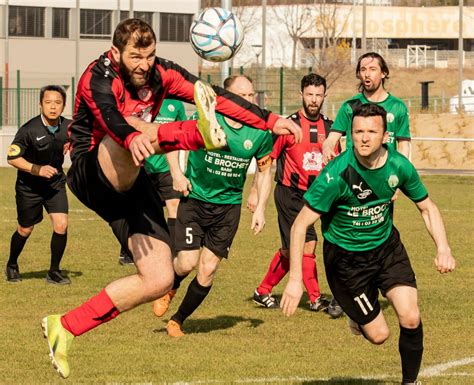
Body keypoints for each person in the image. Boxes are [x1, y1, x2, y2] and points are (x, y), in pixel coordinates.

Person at [41, 19, 301, 379]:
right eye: (135, 56)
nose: (143, 64)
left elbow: (215, 97)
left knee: (159, 278)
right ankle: (195, 133)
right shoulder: (97, 77)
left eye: (148, 55)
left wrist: (269, 120)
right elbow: (111, 118)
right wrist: (134, 138)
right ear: (116, 53)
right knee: (130, 126)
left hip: (134, 179)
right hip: (93, 167)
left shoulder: (162, 74)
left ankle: (66, 326)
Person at [281, 103, 456, 385]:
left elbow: (428, 207)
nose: (364, 138)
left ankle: (410, 383)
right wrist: (295, 280)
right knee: (379, 335)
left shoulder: (399, 165)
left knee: (411, 316)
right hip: (346, 262)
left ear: (385, 135)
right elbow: (300, 224)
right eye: (358, 131)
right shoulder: (336, 176)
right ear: (350, 135)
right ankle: (357, 317)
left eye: (371, 131)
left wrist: (443, 248)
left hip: (386, 249)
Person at [152, 75, 273, 337]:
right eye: (242, 95)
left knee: (207, 270)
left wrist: (260, 205)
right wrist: (176, 173)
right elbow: (172, 140)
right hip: (195, 200)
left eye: (252, 96)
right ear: (225, 97)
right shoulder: (205, 118)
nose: (249, 101)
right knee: (186, 263)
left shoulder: (260, 131)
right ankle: (170, 287)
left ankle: (178, 320)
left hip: (228, 208)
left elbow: (265, 170)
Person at [252, 73, 338, 314]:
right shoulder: (287, 127)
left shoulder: (331, 129)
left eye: (318, 95)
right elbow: (266, 161)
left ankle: (262, 290)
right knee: (308, 243)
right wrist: (255, 194)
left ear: (324, 96)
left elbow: (338, 163)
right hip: (290, 194)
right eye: (309, 94)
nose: (313, 100)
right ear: (301, 95)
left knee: (292, 251)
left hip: (318, 197)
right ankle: (315, 298)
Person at [6, 85, 71, 285]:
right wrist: (38, 169)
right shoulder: (28, 130)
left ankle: (54, 271)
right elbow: (12, 157)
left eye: (58, 103)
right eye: (48, 102)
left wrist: (75, 143)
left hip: (55, 185)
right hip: (29, 187)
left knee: (61, 224)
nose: (53, 107)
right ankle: (12, 264)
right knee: (25, 229)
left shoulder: (70, 126)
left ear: (64, 105)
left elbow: (82, 138)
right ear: (40, 104)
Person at [118, 98, 186, 265]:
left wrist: (182, 168)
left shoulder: (176, 105)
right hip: (143, 166)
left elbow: (181, 135)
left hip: (167, 168)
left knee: (174, 207)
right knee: (138, 210)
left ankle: (172, 250)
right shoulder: (142, 103)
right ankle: (127, 251)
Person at [322, 52, 411, 163]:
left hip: (385, 175)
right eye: (363, 70)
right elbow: (331, 139)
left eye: (372, 69)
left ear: (383, 73)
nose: (367, 74)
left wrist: (403, 170)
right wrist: (327, 148)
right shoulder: (350, 106)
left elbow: (404, 146)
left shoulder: (397, 107)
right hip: (355, 173)